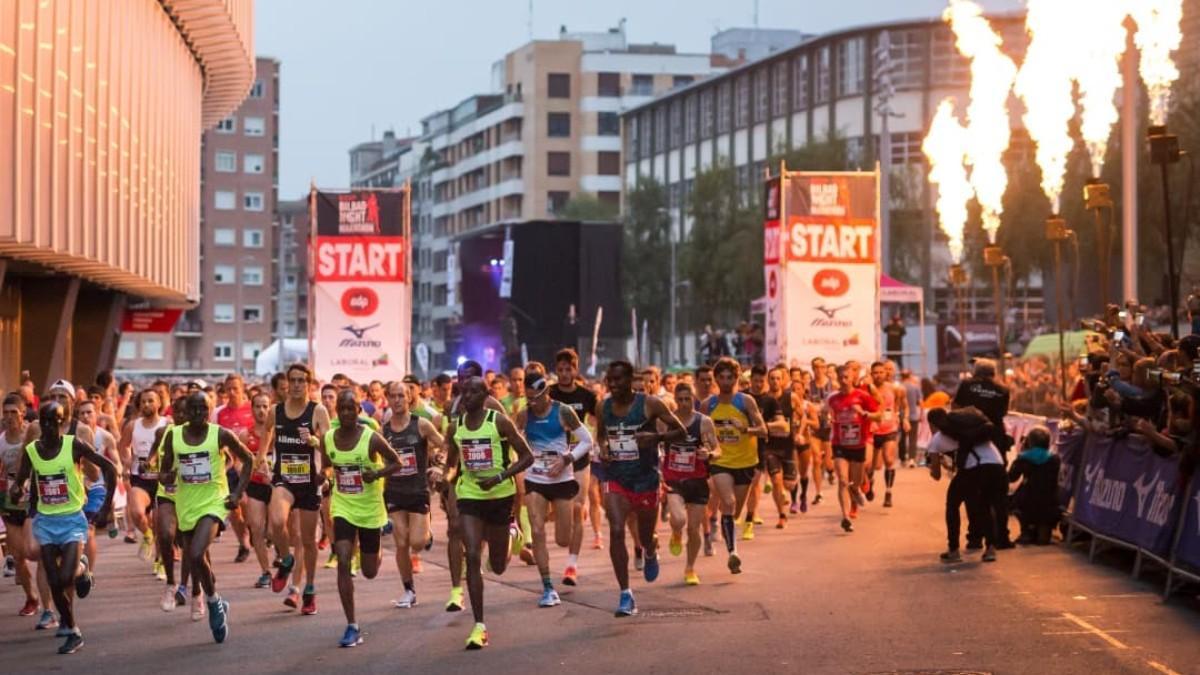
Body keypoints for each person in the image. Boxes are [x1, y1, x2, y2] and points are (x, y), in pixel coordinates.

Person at [11, 400, 116, 654]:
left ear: (61, 423)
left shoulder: (73, 445)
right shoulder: (33, 450)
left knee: (66, 577)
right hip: (46, 522)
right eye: (43, 421)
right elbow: (22, 479)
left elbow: (109, 468)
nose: (47, 426)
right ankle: (73, 630)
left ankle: (82, 568)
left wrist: (105, 508)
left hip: (71, 519)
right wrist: (17, 490)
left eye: (53, 421)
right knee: (55, 582)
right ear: (38, 423)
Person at [444, 377, 534, 649]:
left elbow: (527, 456)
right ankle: (479, 626)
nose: (467, 396)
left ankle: (511, 531)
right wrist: (441, 474)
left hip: (500, 495)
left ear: (485, 395)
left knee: (498, 565)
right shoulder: (455, 427)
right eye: (463, 392)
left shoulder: (499, 422)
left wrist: (500, 477)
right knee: (471, 553)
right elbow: (451, 465)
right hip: (470, 494)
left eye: (474, 392)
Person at [158, 392, 253, 643]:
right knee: (196, 557)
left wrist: (237, 492)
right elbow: (165, 469)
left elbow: (248, 459)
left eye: (203, 409)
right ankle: (217, 599)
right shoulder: (173, 435)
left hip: (214, 502)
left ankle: (211, 602)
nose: (199, 413)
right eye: (194, 409)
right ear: (185, 412)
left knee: (197, 553)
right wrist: (165, 477)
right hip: (186, 504)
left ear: (210, 411)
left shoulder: (220, 434)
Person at [596, 360, 686, 615]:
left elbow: (680, 431)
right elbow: (602, 435)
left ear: (630, 379)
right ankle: (625, 594)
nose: (613, 385)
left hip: (645, 479)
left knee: (646, 536)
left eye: (618, 380)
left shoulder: (649, 404)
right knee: (615, 529)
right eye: (609, 381)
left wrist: (655, 437)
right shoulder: (604, 406)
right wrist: (603, 448)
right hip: (616, 478)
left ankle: (650, 550)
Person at [318, 390, 402, 647]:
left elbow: (396, 463)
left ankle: (375, 550)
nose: (345, 413)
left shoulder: (371, 438)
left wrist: (376, 475)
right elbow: (326, 467)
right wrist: (325, 480)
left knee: (369, 571)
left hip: (369, 509)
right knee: (343, 559)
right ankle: (352, 625)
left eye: (350, 408)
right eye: (341, 408)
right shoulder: (328, 438)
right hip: (343, 506)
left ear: (358, 411)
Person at [515, 370, 592, 607]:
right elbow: (516, 441)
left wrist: (567, 458)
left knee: (561, 539)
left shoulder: (563, 412)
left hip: (561, 480)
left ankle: (560, 514)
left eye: (536, 398)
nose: (532, 403)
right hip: (535, 478)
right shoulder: (524, 415)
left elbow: (588, 441)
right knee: (537, 530)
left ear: (546, 392)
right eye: (528, 398)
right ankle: (547, 587)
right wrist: (522, 460)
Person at [269, 363, 331, 614]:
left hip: (309, 482)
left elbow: (330, 446)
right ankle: (286, 560)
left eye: (300, 381)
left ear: (309, 384)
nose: (295, 385)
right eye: (292, 380)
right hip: (284, 478)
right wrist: (261, 458)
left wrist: (316, 444)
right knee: (276, 521)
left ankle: (310, 589)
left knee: (307, 541)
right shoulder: (276, 411)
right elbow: (266, 436)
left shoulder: (318, 411)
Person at [382, 380, 444, 609]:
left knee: (417, 541)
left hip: (418, 491)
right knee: (401, 542)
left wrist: (439, 462)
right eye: (393, 396)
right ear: (388, 399)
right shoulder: (385, 429)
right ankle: (408, 589)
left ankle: (427, 532)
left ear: (409, 398)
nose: (397, 400)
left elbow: (444, 444)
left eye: (401, 396)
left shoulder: (422, 425)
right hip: (395, 491)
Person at [703, 358, 767, 572]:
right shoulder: (709, 405)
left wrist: (746, 429)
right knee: (728, 502)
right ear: (716, 379)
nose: (725, 381)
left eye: (730, 377)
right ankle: (733, 553)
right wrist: (706, 449)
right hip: (720, 461)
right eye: (721, 377)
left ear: (736, 378)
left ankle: (721, 519)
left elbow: (763, 430)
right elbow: (701, 433)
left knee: (735, 511)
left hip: (746, 462)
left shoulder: (745, 401)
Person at [925, 407, 1005, 563]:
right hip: (996, 463)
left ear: (931, 424)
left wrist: (934, 466)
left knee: (952, 504)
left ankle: (953, 549)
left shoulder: (937, 439)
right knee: (985, 505)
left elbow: (936, 475)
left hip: (975, 468)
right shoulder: (969, 430)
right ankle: (990, 549)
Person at [548, 347, 600, 583]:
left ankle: (571, 565)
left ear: (575, 370)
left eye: (568, 369)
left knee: (578, 509)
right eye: (560, 370)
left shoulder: (587, 396)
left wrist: (596, 442)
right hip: (553, 460)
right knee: (559, 515)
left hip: (579, 460)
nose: (564, 374)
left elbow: (600, 421)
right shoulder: (548, 395)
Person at [660, 382, 719, 585]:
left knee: (694, 529)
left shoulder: (704, 422)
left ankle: (690, 568)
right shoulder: (667, 421)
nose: (685, 404)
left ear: (693, 399)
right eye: (680, 400)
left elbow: (718, 450)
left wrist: (709, 453)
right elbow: (655, 445)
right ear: (675, 400)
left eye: (688, 399)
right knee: (678, 518)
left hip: (697, 480)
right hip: (674, 478)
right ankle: (676, 532)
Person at [826, 364, 881, 533]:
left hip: (858, 444)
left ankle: (856, 489)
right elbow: (829, 413)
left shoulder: (862, 396)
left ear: (852, 378)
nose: (843, 381)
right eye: (840, 377)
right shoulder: (833, 399)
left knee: (854, 482)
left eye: (846, 377)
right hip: (840, 444)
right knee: (843, 479)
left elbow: (878, 414)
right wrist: (828, 417)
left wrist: (865, 414)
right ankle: (846, 517)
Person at [1, 393, 42, 618]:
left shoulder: (32, 435)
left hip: (32, 501)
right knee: (18, 556)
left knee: (30, 550)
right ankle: (32, 598)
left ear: (22, 413)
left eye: (13, 412)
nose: (9, 417)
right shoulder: (1, 441)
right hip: (10, 502)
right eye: (5, 413)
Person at [118, 389, 167, 564]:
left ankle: (160, 562)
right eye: (144, 401)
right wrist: (127, 461)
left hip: (163, 480)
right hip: (141, 478)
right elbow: (123, 446)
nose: (146, 404)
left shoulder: (167, 424)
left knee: (160, 524)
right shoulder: (133, 425)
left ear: (159, 403)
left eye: (151, 401)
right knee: (137, 512)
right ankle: (147, 535)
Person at [1007, 425, 1060, 545]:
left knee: (1016, 499)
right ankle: (1043, 532)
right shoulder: (1055, 459)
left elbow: (1012, 477)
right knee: (1043, 537)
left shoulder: (1023, 457)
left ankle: (1026, 531)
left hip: (1027, 499)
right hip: (1050, 500)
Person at [244, 392, 275, 588]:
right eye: (258, 406)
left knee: (273, 530)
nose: (262, 410)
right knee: (256, 528)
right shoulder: (245, 436)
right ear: (252, 409)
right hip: (255, 485)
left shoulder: (279, 433)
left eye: (265, 406)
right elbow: (238, 463)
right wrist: (249, 469)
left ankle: (283, 557)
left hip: (276, 486)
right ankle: (266, 571)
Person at [866, 362, 906, 508]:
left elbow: (903, 406)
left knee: (889, 460)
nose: (879, 375)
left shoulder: (895, 389)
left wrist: (905, 419)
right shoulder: (867, 389)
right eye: (875, 372)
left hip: (890, 428)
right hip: (872, 430)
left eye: (881, 372)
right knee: (873, 466)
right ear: (871, 374)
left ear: (886, 373)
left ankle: (888, 492)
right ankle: (869, 482)